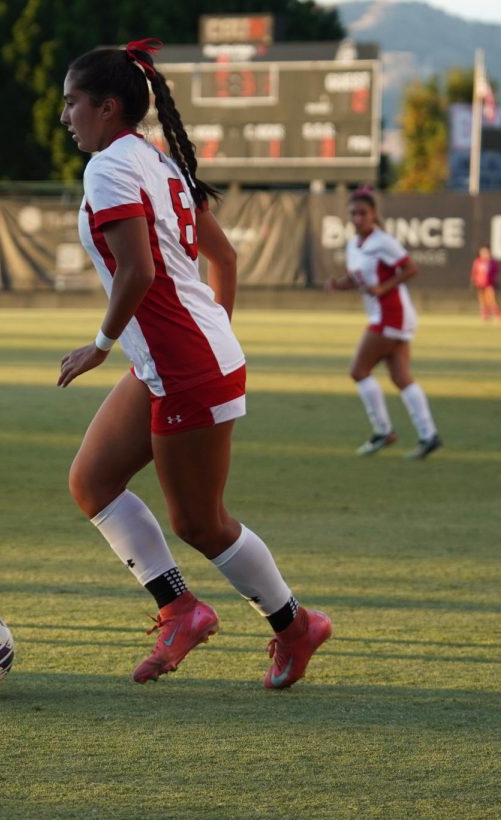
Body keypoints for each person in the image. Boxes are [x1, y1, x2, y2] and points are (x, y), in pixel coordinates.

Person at [57, 39, 331, 689]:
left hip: (184, 365)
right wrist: (209, 341)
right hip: (178, 360)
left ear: (108, 106)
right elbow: (225, 260)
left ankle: (297, 628)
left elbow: (139, 272)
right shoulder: (156, 160)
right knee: (92, 482)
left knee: (199, 522)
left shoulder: (111, 169)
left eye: (72, 103)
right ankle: (182, 608)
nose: (65, 116)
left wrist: (99, 344)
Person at [324, 187, 442, 460]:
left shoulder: (383, 241)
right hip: (384, 314)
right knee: (401, 377)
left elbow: (411, 268)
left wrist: (385, 287)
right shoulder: (354, 244)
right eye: (353, 213)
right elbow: (357, 279)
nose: (357, 218)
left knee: (358, 370)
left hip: (391, 313)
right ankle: (429, 435)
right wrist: (338, 285)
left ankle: (383, 431)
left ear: (374, 214)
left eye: (362, 213)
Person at [471, 245, 501, 322]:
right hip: (480, 284)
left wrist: (495, 281)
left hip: (489, 284)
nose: (484, 254)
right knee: (482, 301)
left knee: (491, 301)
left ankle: (498, 316)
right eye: (482, 252)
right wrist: (474, 281)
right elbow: (474, 273)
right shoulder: (477, 262)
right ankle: (485, 317)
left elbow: (496, 273)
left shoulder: (493, 263)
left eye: (486, 252)